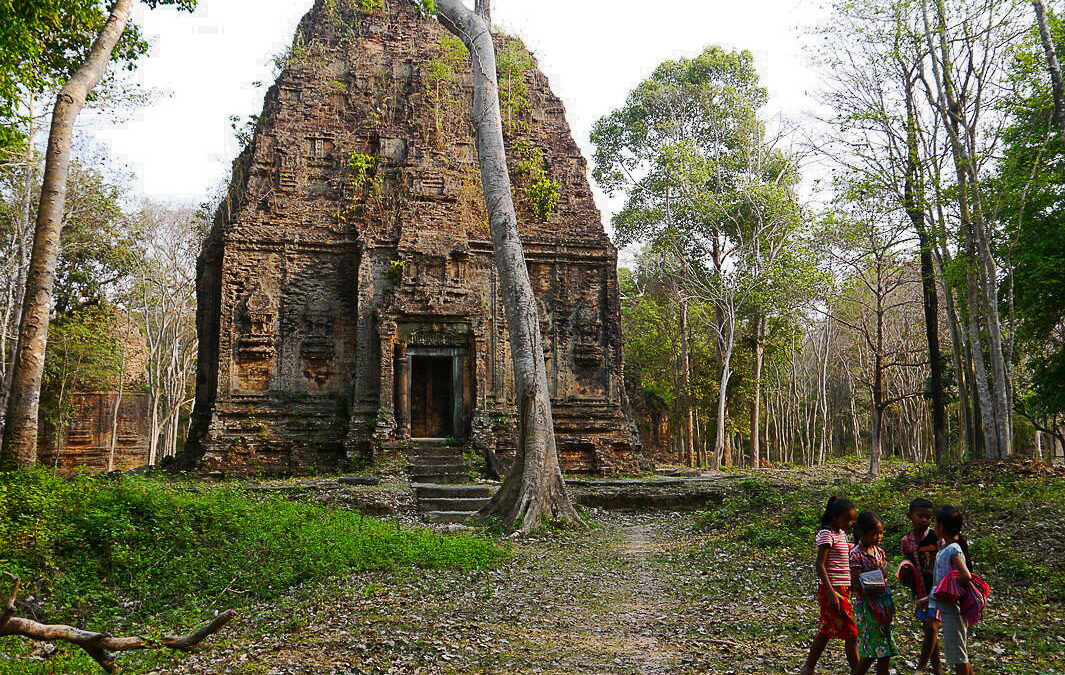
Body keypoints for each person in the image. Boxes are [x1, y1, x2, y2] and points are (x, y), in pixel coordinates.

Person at [800, 496, 860, 675]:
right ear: (835, 517)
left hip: (844, 588)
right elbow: (820, 564)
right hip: (833, 589)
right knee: (851, 633)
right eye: (846, 519)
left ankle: (808, 667)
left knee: (827, 629)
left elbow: (846, 551)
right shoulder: (826, 534)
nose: (850, 523)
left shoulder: (841, 533)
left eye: (852, 519)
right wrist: (830, 591)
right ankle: (858, 670)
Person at [921, 505, 975, 675]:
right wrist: (927, 599)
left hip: (953, 610)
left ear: (941, 527)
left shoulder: (953, 550)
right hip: (946, 608)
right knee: (958, 652)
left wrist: (951, 586)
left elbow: (966, 576)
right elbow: (940, 584)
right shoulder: (946, 547)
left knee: (957, 655)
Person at [850, 511, 899, 675]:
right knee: (874, 649)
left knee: (885, 649)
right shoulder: (856, 554)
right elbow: (856, 583)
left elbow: (885, 579)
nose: (878, 537)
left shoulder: (880, 552)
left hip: (882, 605)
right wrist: (876, 579)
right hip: (867, 608)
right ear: (862, 533)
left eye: (881, 533)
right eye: (874, 534)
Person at [901, 497, 943, 675]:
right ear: (910, 516)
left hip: (938, 592)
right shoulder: (906, 540)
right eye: (920, 516)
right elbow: (907, 564)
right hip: (920, 592)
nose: (924, 520)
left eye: (928, 517)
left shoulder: (937, 538)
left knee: (931, 626)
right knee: (928, 629)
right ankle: (937, 668)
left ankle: (921, 668)